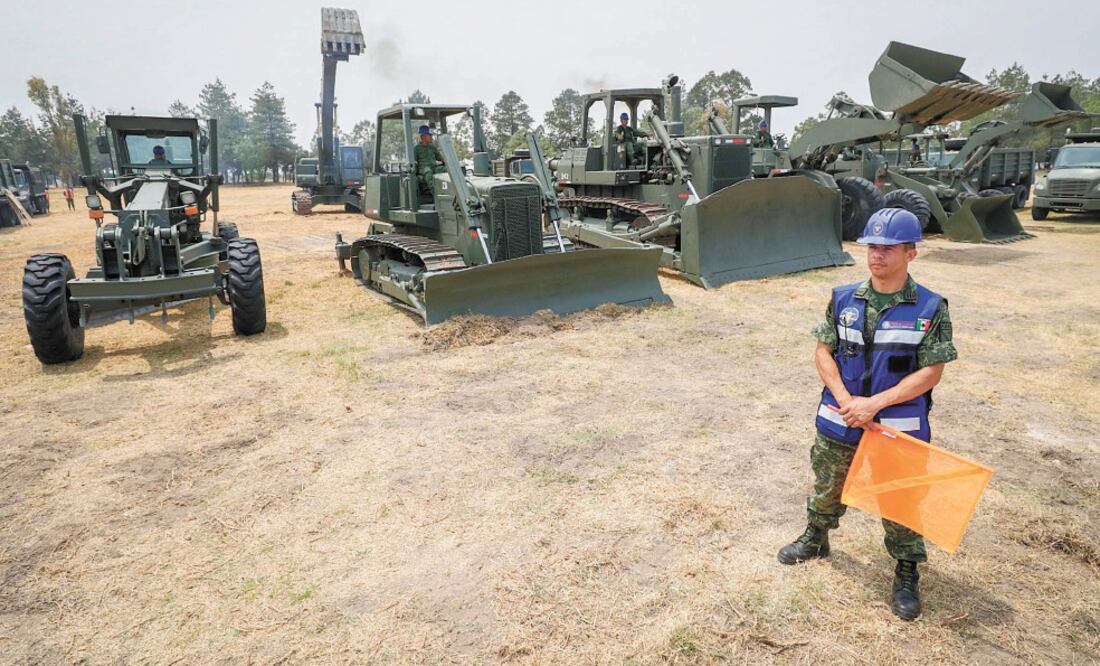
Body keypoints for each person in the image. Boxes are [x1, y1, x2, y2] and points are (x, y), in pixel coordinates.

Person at [777, 207, 957, 622]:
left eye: (888, 248)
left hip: (896, 426)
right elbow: (823, 351)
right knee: (827, 483)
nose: (877, 255)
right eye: (872, 246)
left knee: (900, 499)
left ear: (911, 253)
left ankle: (906, 570)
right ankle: (816, 538)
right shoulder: (843, 298)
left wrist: (873, 405)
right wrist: (846, 400)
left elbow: (932, 371)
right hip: (840, 416)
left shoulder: (930, 306)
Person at [413, 125, 445, 193]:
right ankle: (435, 194)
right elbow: (413, 161)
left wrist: (446, 162)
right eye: (429, 135)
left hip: (434, 167)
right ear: (423, 136)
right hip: (424, 169)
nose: (431, 137)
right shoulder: (416, 148)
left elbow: (440, 158)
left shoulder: (432, 147)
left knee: (446, 169)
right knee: (428, 173)